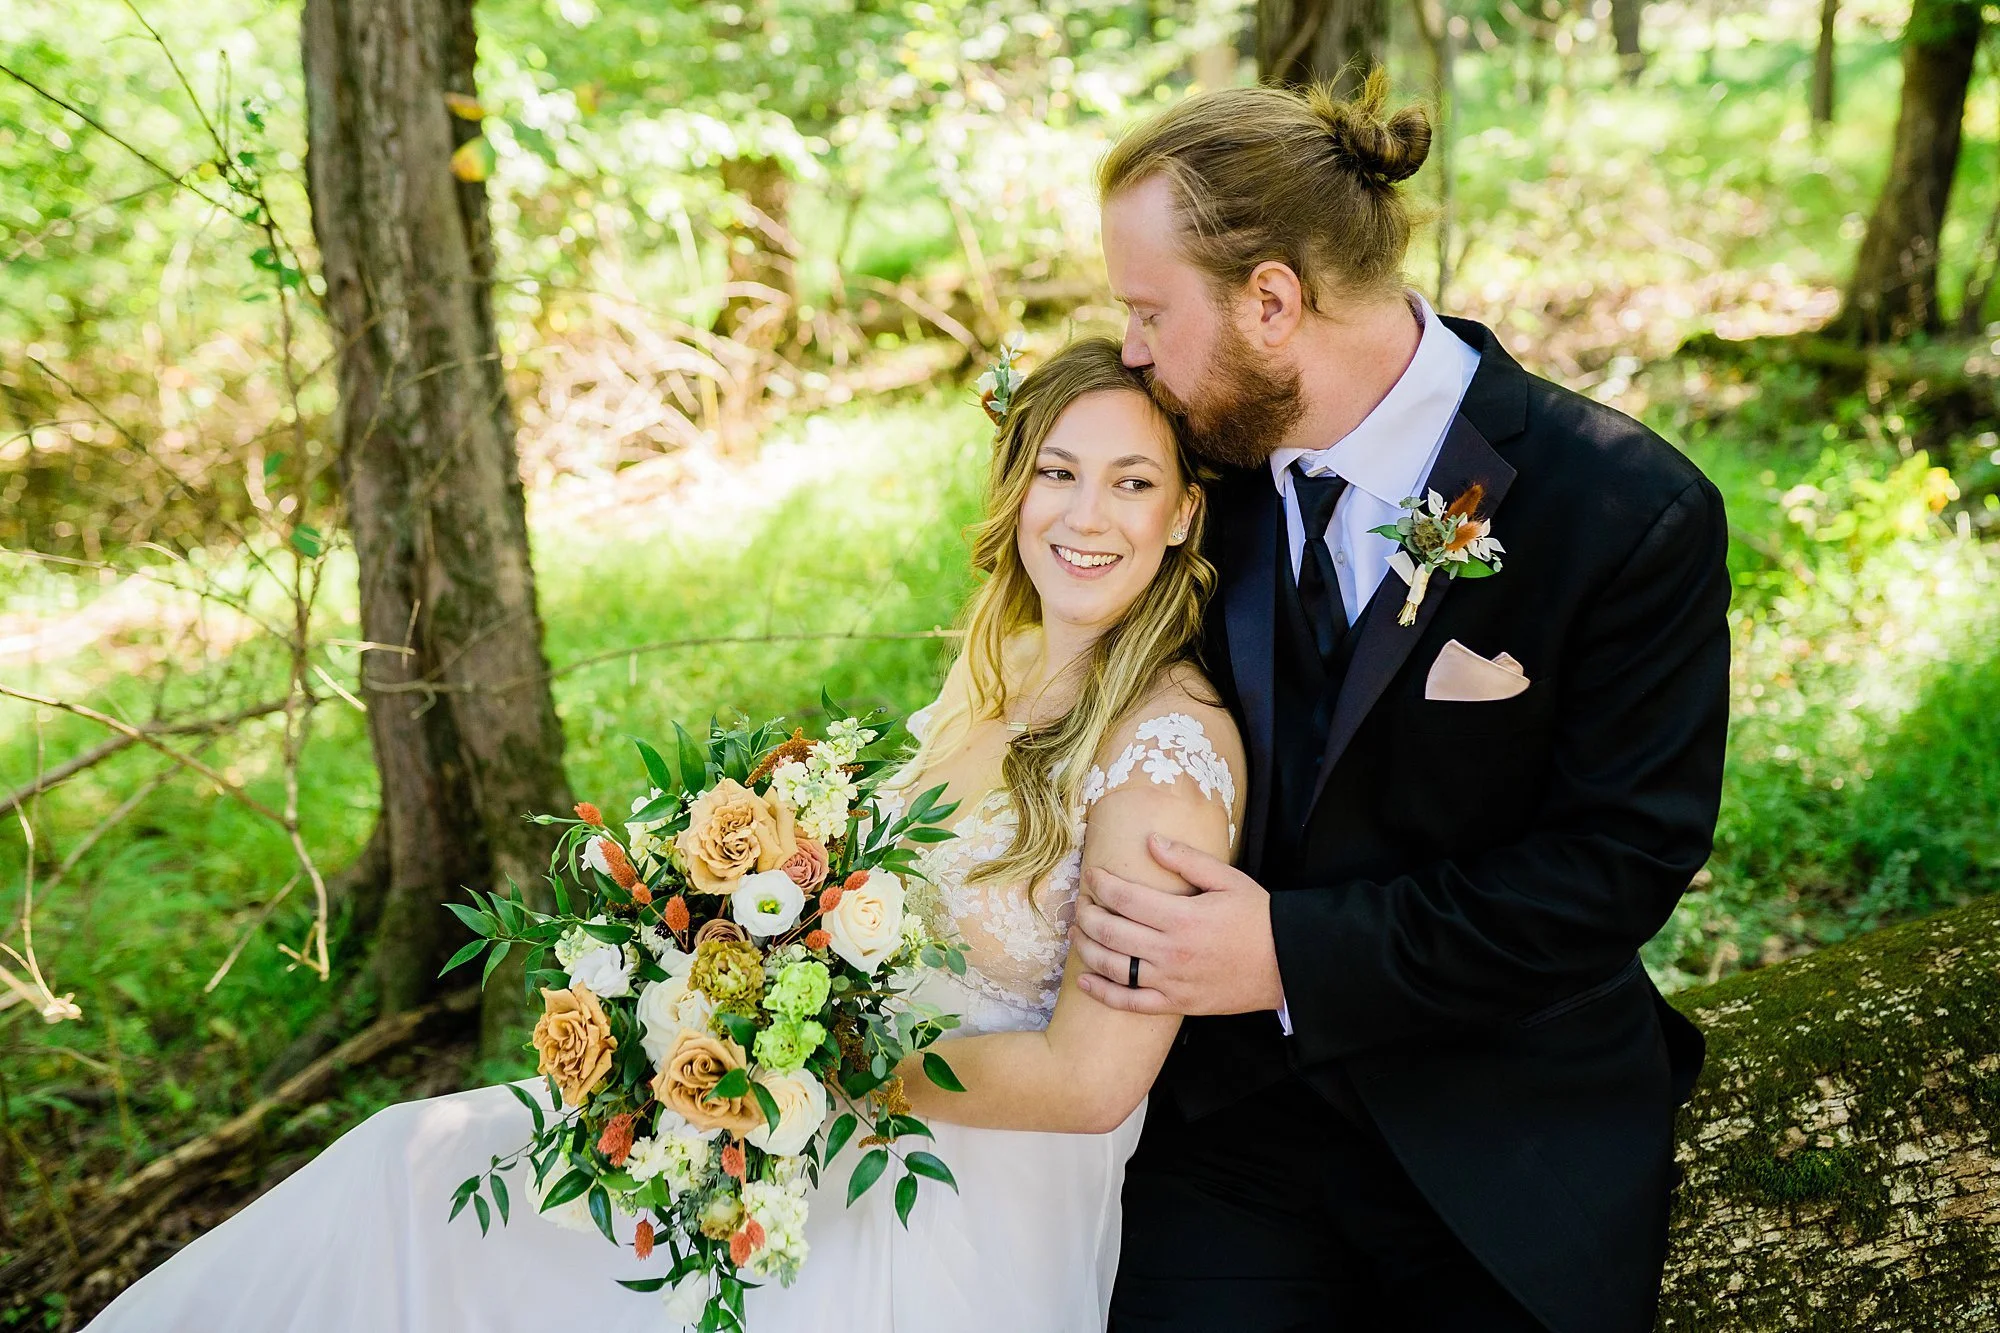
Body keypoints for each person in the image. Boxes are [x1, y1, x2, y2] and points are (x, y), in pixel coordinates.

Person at [83, 336, 1246, 1333]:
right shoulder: (989, 676)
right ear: (1015, 485)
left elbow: (1092, 1079)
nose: (1086, 516)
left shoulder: (1163, 757)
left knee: (431, 1200)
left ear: (1183, 509)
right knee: (409, 1173)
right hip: (815, 1136)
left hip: (950, 1204)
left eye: (1131, 482)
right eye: (1057, 471)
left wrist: (807, 1067)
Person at [1071, 72, 1730, 1333]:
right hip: (1230, 1137)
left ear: (1271, 299)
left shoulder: (1623, 510)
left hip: (1500, 1137)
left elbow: (1612, 868)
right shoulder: (1190, 481)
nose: (1133, 352)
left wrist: (1287, 954)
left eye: (1147, 312)